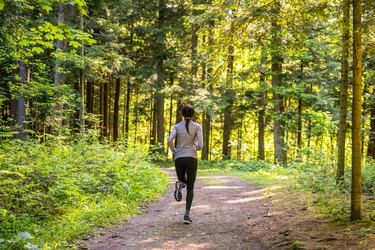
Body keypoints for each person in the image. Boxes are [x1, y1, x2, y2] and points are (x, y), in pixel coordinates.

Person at [167, 104, 203, 224]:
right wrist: (196, 148)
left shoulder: (177, 126)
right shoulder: (197, 126)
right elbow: (201, 145)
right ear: (193, 115)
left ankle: (180, 184)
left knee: (183, 180)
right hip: (191, 157)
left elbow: (169, 140)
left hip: (179, 158)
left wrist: (174, 151)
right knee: (191, 186)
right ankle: (186, 215)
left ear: (182, 114)